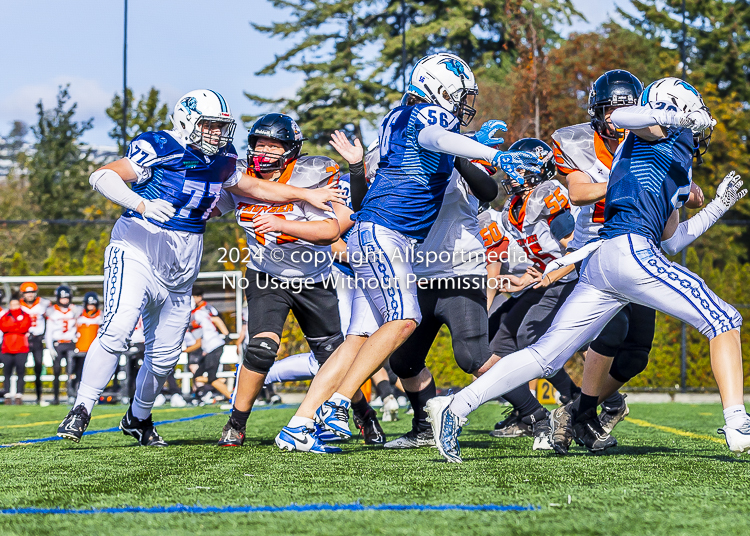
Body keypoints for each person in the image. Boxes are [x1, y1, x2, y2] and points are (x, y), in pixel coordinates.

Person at [426, 77, 749, 462]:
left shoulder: (677, 166)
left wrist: (715, 207)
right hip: (626, 251)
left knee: (546, 354)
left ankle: (456, 407)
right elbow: (626, 115)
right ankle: (737, 421)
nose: (700, 130)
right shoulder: (647, 131)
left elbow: (672, 241)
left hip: (608, 261)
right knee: (724, 319)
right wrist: (673, 115)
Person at [56, 89, 344, 446]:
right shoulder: (160, 145)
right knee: (117, 328)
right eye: (209, 125)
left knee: (163, 358)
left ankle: (139, 419)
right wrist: (141, 204)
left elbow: (255, 187)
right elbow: (102, 176)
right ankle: (81, 408)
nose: (216, 134)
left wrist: (305, 194)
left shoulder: (224, 158)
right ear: (187, 120)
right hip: (138, 246)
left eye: (221, 126)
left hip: (182, 261)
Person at [298, 52, 540, 446]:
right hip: (412, 261)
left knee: (471, 357)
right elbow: (380, 187)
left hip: (457, 263)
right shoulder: (417, 133)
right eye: (459, 96)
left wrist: (468, 151)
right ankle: (411, 423)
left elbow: (486, 190)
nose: (463, 106)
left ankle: (536, 415)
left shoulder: (444, 140)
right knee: (403, 357)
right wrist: (359, 167)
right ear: (439, 92)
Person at [215, 113, 346, 452]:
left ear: (291, 150)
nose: (264, 151)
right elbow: (209, 208)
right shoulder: (243, 180)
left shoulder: (311, 176)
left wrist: (282, 224)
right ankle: (236, 422)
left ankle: (361, 412)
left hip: (312, 278)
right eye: (259, 143)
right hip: (265, 275)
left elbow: (328, 232)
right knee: (261, 349)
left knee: (333, 355)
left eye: (273, 146)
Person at [45, 286, 79, 406]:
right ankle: (56, 397)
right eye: (62, 298)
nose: (64, 300)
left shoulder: (74, 310)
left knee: (71, 371)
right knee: (56, 372)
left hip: (70, 343)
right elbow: (48, 331)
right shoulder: (52, 311)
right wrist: (50, 347)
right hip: (58, 343)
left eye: (66, 298)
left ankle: (72, 395)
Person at [20, 282, 50, 405]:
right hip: (24, 339)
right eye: (27, 293)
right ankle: (19, 396)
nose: (30, 295)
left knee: (38, 367)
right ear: (23, 294)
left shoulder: (44, 304)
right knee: (21, 367)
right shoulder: (20, 305)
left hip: (38, 338)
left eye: (31, 292)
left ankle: (39, 396)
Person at [70, 292, 103, 401]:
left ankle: (93, 396)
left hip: (94, 350)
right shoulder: (79, 315)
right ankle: (75, 394)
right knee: (78, 373)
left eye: (93, 305)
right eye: (89, 305)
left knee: (94, 374)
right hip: (80, 349)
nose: (91, 307)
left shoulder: (101, 316)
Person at [0, 292, 32, 404]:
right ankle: (7, 394)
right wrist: (16, 325)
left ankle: (19, 394)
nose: (14, 307)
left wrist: (13, 327)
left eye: (16, 305)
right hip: (7, 348)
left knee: (20, 372)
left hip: (21, 348)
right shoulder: (5, 315)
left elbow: (24, 327)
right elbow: (4, 327)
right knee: (7, 372)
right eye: (12, 305)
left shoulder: (25, 315)